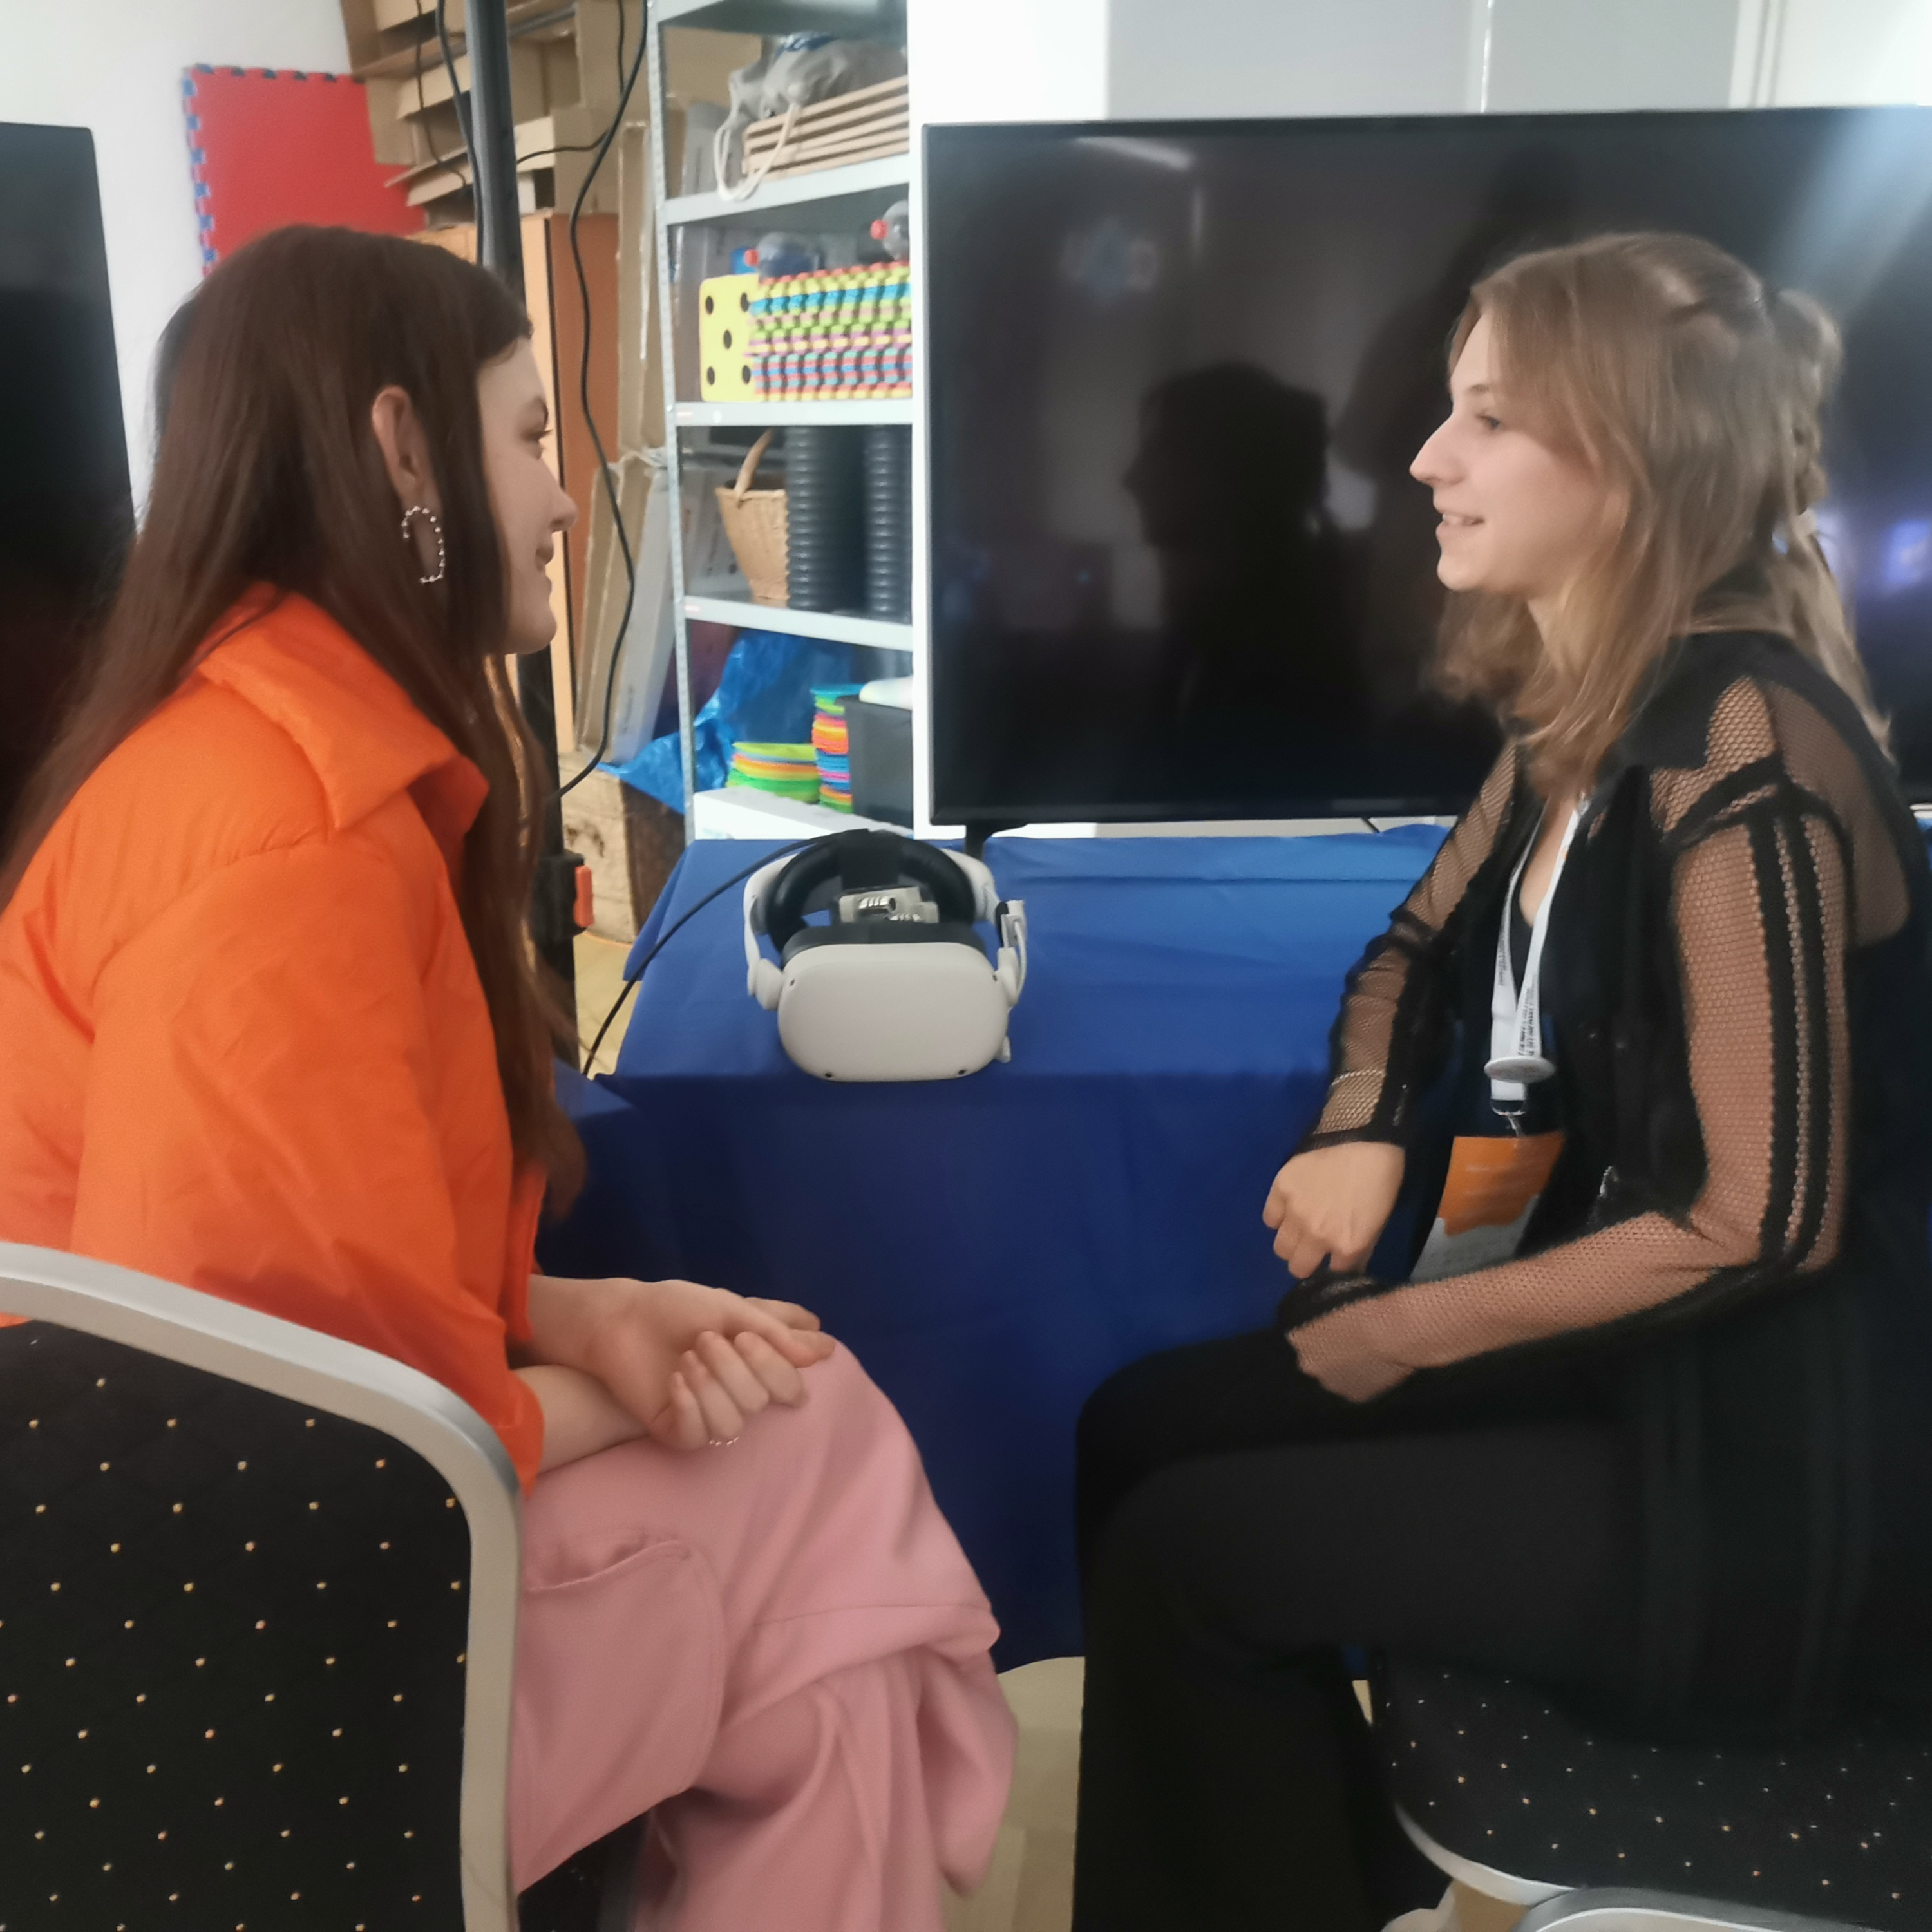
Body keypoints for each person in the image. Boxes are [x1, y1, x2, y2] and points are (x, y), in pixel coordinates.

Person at [0, 226, 1013, 1929]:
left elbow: (307, 1270)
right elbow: (311, 1431)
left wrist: (584, 1317)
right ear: (403, 451)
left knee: (820, 1517)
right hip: (212, 1693)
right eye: (532, 434)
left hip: (156, 1607)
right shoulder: (287, 844)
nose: (561, 498)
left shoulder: (253, 759)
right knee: (827, 1505)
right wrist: (639, 1387)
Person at [1072, 231, 1932, 1931]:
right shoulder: (1588, 714)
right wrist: (1363, 1132)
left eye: (1485, 419)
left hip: (1778, 1467)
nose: (1422, 459)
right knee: (1136, 1430)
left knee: (1195, 1559)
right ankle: (1322, 1872)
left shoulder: (1736, 745)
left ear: (1627, 465)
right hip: (1645, 1355)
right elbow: (1412, 951)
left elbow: (1764, 1221)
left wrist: (1403, 1332)